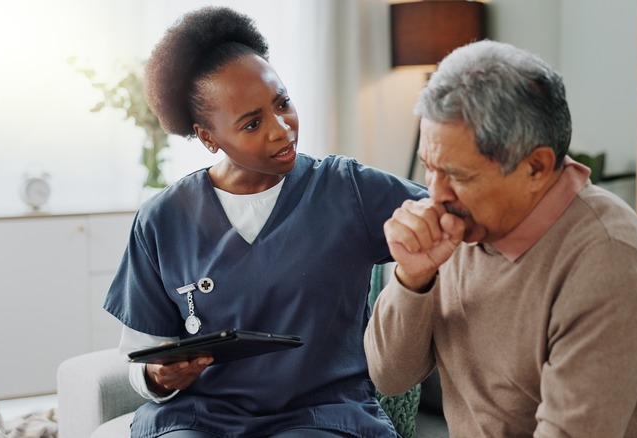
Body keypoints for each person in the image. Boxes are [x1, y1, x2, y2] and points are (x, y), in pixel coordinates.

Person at [103, 6, 426, 438]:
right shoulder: (162, 219)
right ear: (207, 136)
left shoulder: (347, 189)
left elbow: (447, 220)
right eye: (252, 123)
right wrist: (160, 377)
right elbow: (140, 356)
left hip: (324, 416)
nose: (281, 129)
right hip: (200, 419)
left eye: (283, 103)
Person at [364, 40, 637, 437]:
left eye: (459, 175)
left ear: (536, 167)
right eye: (429, 169)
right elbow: (388, 377)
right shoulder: (458, 227)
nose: (435, 194)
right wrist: (412, 278)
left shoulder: (607, 260)